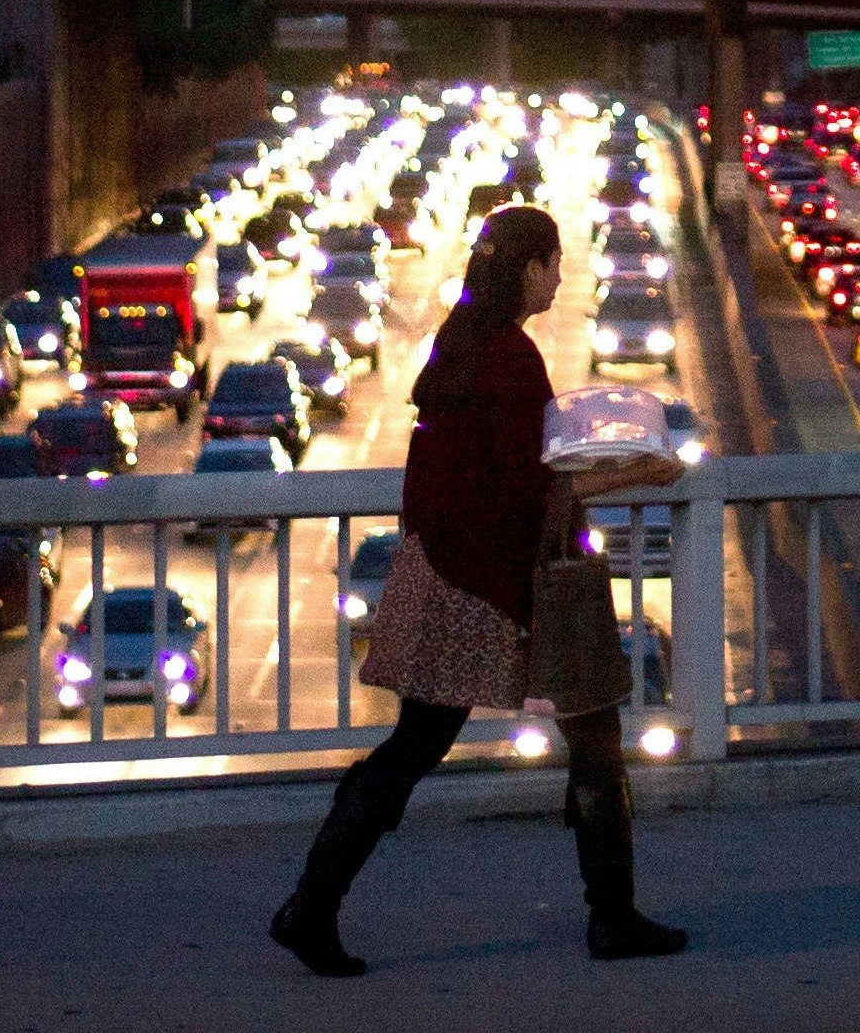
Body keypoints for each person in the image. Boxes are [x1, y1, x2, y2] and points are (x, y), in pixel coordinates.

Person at [271, 201, 686, 974]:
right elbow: (537, 487)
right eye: (552, 260)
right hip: (493, 583)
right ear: (526, 266)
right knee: (587, 735)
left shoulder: (461, 344)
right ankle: (611, 916)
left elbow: (499, 471)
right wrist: (643, 470)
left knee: (416, 745)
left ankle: (310, 906)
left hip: (448, 571)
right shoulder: (508, 356)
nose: (560, 274)